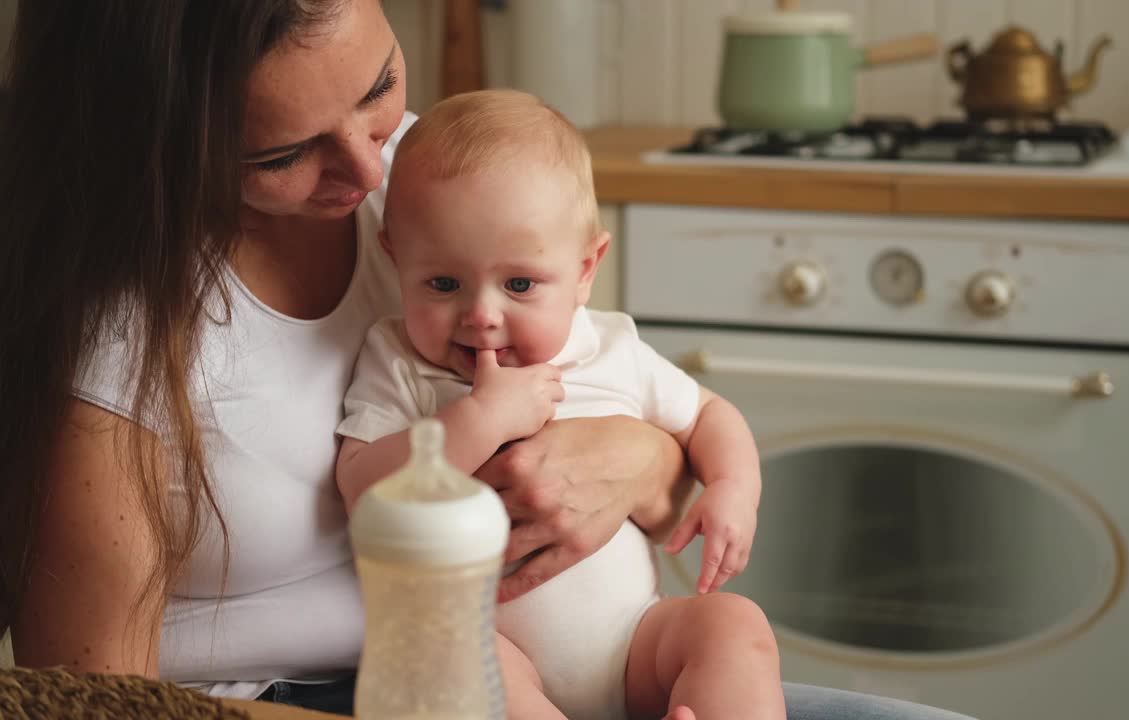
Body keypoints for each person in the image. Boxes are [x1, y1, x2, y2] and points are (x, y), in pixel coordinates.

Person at [0, 2, 974, 719]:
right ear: (161, 141)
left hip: (607, 645)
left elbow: (662, 469)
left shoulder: (442, 181)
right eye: (284, 153)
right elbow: (90, 700)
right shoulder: (119, 332)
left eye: (378, 87)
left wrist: (640, 459)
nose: (370, 170)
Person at [334, 88, 781, 720]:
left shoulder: (610, 347)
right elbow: (361, 488)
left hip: (634, 642)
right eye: (442, 283)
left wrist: (735, 484)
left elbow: (709, 414)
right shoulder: (400, 360)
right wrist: (477, 420)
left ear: (584, 269)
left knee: (734, 625)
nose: (482, 316)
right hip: (490, 652)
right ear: (395, 258)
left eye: (519, 284)